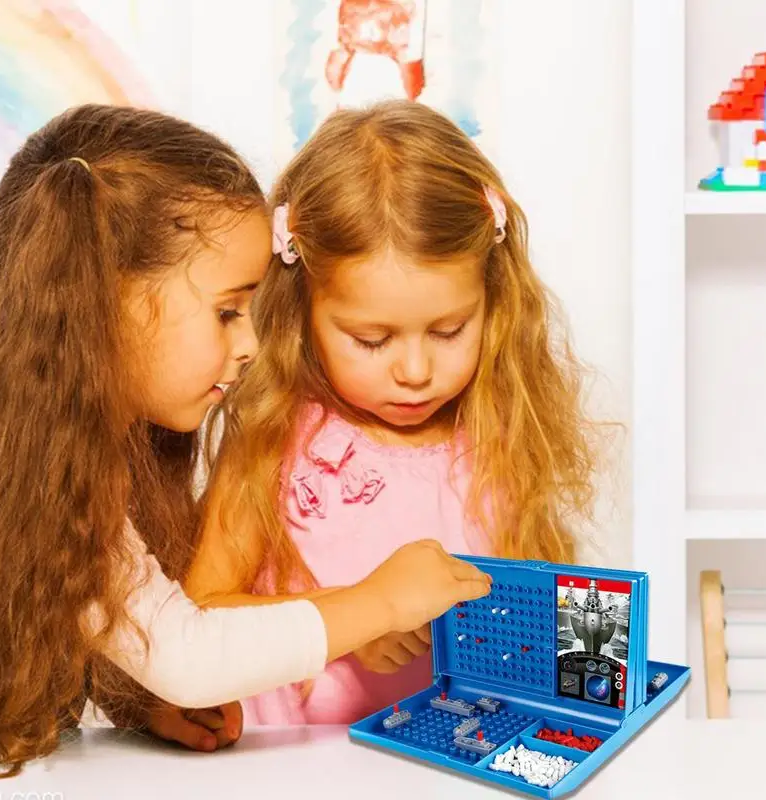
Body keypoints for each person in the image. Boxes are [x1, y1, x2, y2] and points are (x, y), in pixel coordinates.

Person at [0, 103, 492, 774]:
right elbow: (191, 653)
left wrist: (139, 702)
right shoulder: (33, 467)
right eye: (228, 312)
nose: (252, 344)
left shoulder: (69, 466)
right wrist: (378, 604)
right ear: (108, 304)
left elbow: (145, 635)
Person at [187, 100, 597, 726]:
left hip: (451, 763)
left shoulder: (502, 432)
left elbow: (537, 629)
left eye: (449, 329)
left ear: (493, 301)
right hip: (290, 766)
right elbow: (202, 616)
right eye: (372, 340)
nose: (414, 371)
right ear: (302, 311)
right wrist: (356, 615)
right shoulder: (278, 438)